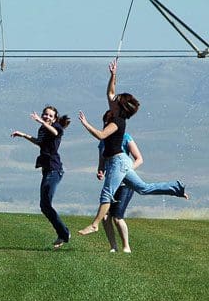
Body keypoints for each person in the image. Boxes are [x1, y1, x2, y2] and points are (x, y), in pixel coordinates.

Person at [78, 59, 188, 236]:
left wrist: (85, 123)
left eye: (116, 100)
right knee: (143, 188)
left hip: (118, 162)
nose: (112, 99)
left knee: (107, 193)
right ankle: (176, 187)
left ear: (119, 106)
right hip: (121, 162)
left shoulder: (116, 121)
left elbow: (100, 135)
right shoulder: (115, 112)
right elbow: (110, 91)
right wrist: (113, 74)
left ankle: (95, 224)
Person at [12, 107, 71, 249]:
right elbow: (39, 142)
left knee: (46, 204)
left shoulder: (56, 127)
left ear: (55, 118)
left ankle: (64, 233)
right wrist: (23, 135)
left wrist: (40, 121)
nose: (46, 117)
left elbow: (55, 132)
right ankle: (62, 233)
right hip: (46, 170)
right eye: (45, 114)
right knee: (44, 206)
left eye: (50, 115)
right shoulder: (42, 129)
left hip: (55, 170)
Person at [97, 110, 142, 253]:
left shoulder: (126, 138)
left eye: (109, 122)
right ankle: (113, 247)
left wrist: (125, 172)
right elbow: (102, 160)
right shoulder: (103, 142)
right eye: (105, 122)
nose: (106, 124)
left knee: (117, 217)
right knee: (104, 217)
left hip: (125, 184)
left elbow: (139, 159)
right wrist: (100, 171)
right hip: (111, 182)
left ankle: (126, 247)